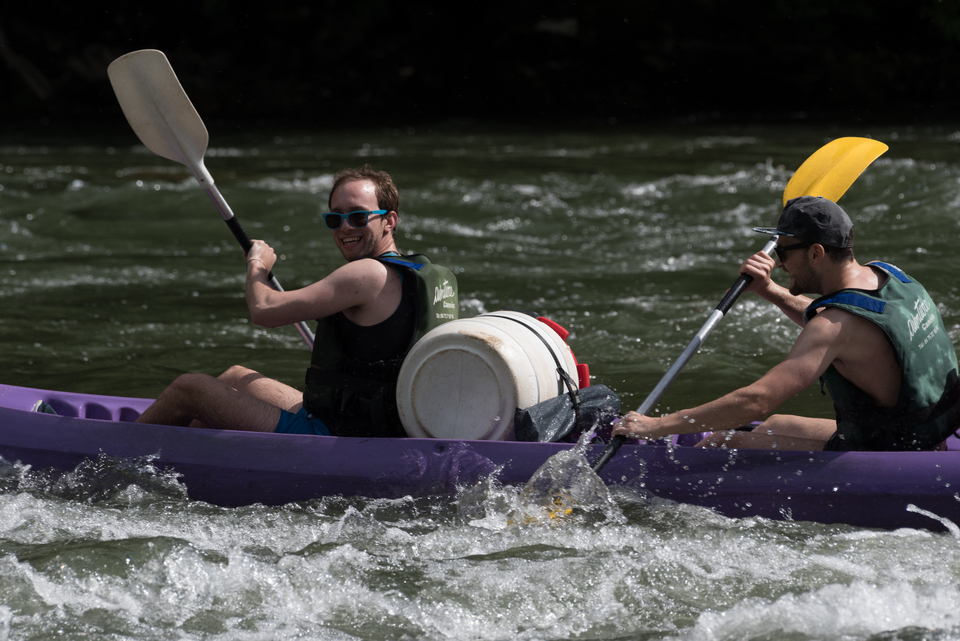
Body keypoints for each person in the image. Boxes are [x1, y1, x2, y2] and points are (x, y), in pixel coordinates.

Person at [614, 195, 960, 451]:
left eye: (784, 253)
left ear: (816, 253)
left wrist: (656, 426)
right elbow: (850, 331)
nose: (780, 264)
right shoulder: (892, 277)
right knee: (775, 426)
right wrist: (770, 291)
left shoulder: (832, 327)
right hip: (928, 437)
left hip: (890, 455)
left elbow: (757, 401)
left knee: (718, 444)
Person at [135, 165, 459, 438]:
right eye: (335, 218)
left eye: (359, 217)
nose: (345, 227)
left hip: (344, 434)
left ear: (389, 221)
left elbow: (264, 310)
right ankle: (183, 459)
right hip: (391, 425)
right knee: (236, 376)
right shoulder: (433, 276)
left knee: (190, 388)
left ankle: (109, 458)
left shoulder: (368, 274)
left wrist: (257, 265)